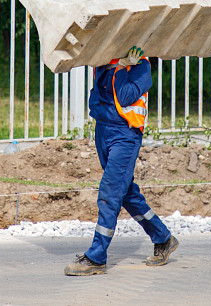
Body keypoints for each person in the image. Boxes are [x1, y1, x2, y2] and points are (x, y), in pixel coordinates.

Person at [64, 46, 178, 276]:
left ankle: (96, 256)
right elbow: (97, 93)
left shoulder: (142, 65)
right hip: (103, 131)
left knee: (110, 192)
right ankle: (163, 238)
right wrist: (114, 64)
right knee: (125, 192)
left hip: (125, 136)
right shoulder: (103, 59)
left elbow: (125, 96)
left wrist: (125, 67)